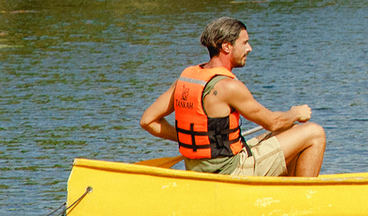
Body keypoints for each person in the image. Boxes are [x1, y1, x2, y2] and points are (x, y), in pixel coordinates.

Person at [139, 17, 328, 177]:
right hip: (231, 171)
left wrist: (189, 138)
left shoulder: (186, 78)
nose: (250, 48)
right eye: (244, 43)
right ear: (227, 47)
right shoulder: (229, 87)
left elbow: (148, 121)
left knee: (290, 133)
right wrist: (296, 113)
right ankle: (304, 200)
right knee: (314, 133)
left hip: (198, 169)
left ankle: (284, 193)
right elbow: (273, 122)